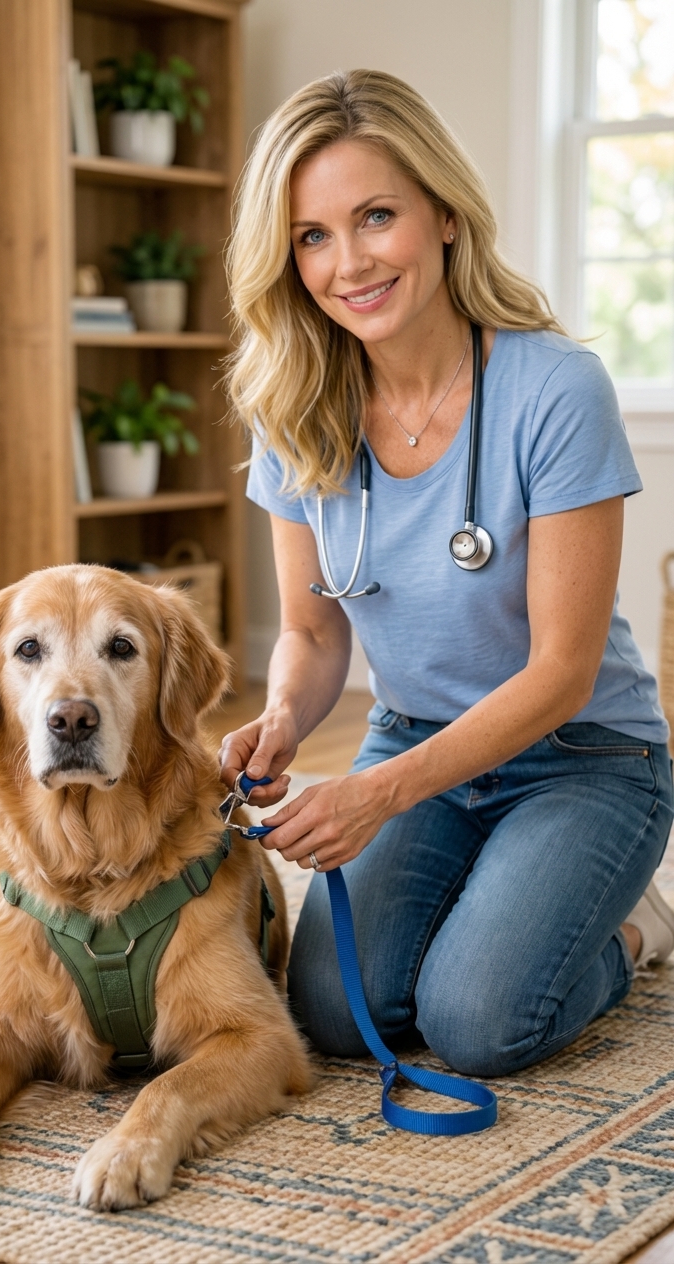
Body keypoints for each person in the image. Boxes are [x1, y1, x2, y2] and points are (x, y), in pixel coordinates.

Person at [218, 70, 674, 1079]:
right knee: (335, 1014)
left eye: (376, 215)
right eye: (313, 235)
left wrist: (375, 796)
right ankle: (500, 896)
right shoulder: (293, 404)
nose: (350, 262)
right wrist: (288, 716)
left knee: (476, 1022)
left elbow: (561, 671)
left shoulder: (554, 387)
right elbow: (312, 629)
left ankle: (634, 929)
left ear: (446, 215)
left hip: (585, 757)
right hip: (416, 741)